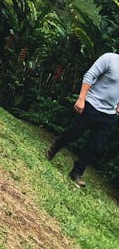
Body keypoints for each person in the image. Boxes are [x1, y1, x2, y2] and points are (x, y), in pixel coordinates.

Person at [47, 52, 119, 186]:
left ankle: (77, 172)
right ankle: (57, 145)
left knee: (95, 145)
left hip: (109, 114)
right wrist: (81, 98)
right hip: (91, 104)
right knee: (75, 132)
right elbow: (90, 75)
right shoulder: (109, 59)